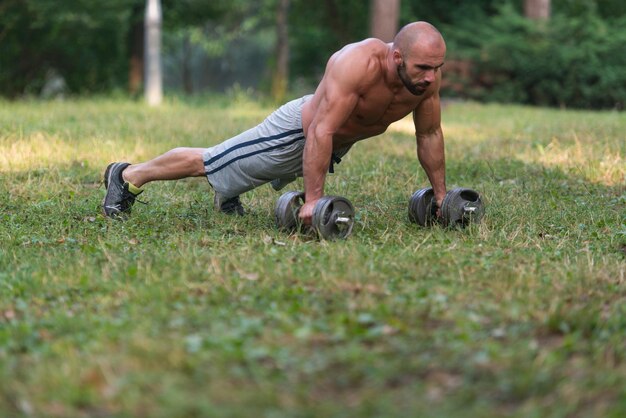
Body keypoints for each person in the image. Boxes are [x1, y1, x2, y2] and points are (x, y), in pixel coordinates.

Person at [102, 21, 447, 224]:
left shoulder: (422, 81)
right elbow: (320, 130)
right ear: (397, 57)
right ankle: (128, 175)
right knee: (211, 161)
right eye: (424, 68)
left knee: (257, 168)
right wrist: (313, 201)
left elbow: (429, 134)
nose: (432, 78)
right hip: (297, 130)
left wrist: (442, 196)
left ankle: (229, 195)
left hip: (332, 143)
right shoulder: (358, 62)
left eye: (437, 67)